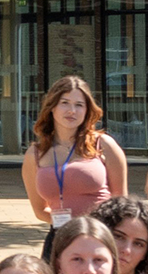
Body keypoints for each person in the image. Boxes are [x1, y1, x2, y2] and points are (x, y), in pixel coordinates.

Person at [23, 76, 126, 224]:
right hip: (60, 238)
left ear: (87, 110)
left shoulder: (104, 145)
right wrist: (70, 225)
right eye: (64, 103)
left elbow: (122, 204)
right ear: (52, 107)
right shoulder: (34, 154)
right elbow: (39, 211)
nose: (72, 111)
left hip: (100, 236)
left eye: (79, 105)